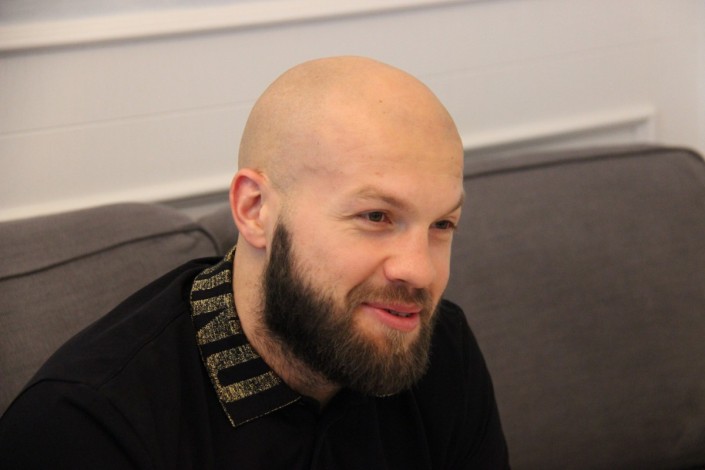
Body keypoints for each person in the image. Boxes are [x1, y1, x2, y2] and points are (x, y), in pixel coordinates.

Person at [0, 56, 509, 468]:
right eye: (376, 216)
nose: (420, 272)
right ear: (254, 210)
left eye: (442, 224)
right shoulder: (87, 425)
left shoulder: (439, 347)